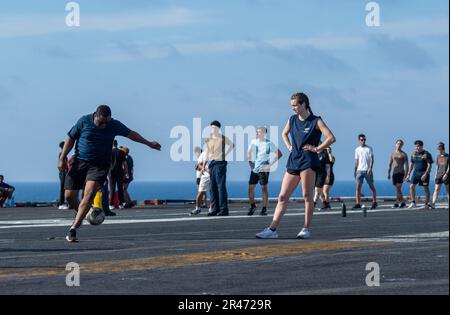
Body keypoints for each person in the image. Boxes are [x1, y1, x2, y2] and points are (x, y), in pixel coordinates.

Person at [58, 105, 161, 242]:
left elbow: (131, 134)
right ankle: (85, 213)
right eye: (101, 123)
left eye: (106, 122)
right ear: (95, 115)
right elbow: (70, 138)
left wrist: (148, 143)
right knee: (69, 196)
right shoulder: (83, 121)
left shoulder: (114, 125)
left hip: (99, 166)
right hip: (79, 162)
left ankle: (74, 229)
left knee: (88, 195)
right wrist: (62, 158)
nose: (103, 126)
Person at [256, 92, 336, 239]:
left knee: (307, 196)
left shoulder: (316, 121)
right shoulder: (292, 120)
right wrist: (288, 146)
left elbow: (331, 138)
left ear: (303, 104)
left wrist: (317, 149)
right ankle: (272, 230)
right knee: (282, 196)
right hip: (294, 160)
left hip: (308, 161)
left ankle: (306, 229)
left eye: (295, 105)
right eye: (291, 105)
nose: (292, 108)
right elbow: (284, 134)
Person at [247, 126, 283, 216]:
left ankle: (264, 208)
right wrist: (250, 162)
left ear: (263, 133)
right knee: (250, 188)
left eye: (259, 132)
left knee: (264, 188)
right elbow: (249, 152)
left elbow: (279, 153)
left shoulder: (269, 143)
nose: (257, 133)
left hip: (264, 168)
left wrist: (270, 164)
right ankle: (252, 206)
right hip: (255, 168)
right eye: (257, 132)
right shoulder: (253, 142)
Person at [204, 120, 234, 216]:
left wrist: (225, 154)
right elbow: (207, 152)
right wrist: (205, 164)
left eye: (215, 127)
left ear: (218, 128)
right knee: (213, 188)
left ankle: (223, 209)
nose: (213, 129)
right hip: (212, 163)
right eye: (212, 127)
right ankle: (214, 209)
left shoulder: (222, 138)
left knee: (221, 187)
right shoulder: (208, 139)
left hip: (220, 163)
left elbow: (232, 145)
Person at [405, 140, 433, 209]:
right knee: (411, 186)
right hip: (415, 173)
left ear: (421, 146)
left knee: (426, 188)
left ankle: (427, 203)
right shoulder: (413, 154)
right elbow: (411, 164)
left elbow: (429, 165)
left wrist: (426, 174)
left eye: (418, 146)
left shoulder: (427, 154)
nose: (416, 148)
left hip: (424, 173)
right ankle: (413, 202)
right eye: (416, 146)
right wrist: (408, 174)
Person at [353, 134, 377, 210]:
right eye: (362, 140)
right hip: (359, 170)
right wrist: (355, 170)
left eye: (364, 139)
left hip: (367, 170)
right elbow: (356, 160)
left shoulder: (369, 148)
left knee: (371, 186)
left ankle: (374, 202)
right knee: (358, 188)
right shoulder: (357, 149)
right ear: (359, 140)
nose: (363, 141)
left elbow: (371, 159)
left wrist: (370, 168)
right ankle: (358, 203)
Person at [387, 139, 409, 208]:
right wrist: (388, 173)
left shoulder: (404, 154)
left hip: (401, 173)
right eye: (398, 143)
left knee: (398, 188)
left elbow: (407, 165)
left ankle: (397, 202)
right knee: (397, 189)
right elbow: (389, 164)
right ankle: (402, 202)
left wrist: (406, 175)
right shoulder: (392, 154)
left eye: (400, 144)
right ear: (395, 144)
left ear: (402, 145)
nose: (399, 145)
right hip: (394, 173)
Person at [190, 148, 211, 215]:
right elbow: (198, 166)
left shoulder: (215, 153)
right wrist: (205, 170)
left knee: (212, 193)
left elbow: (197, 166)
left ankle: (211, 209)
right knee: (201, 192)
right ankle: (198, 208)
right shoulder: (204, 154)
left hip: (211, 176)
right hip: (205, 175)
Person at [314, 146, 335, 211]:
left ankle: (327, 204)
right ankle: (326, 204)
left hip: (329, 176)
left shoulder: (328, 156)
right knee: (320, 193)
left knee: (325, 191)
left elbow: (332, 161)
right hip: (321, 176)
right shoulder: (321, 156)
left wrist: (329, 153)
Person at [108, 140, 127, 210]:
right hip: (119, 172)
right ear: (117, 144)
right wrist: (126, 172)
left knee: (112, 188)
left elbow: (106, 163)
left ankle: (111, 204)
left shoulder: (109, 152)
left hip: (111, 172)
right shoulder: (122, 152)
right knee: (120, 188)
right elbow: (124, 163)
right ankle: (121, 204)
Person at [430, 142, 449, 209]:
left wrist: (446, 174)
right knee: (436, 189)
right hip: (439, 175)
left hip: (446, 175)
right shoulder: (438, 156)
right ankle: (433, 204)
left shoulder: (447, 156)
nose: (438, 150)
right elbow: (438, 166)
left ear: (442, 147)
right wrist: (435, 174)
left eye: (439, 148)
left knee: (447, 190)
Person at [58, 141, 69, 209]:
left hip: (63, 172)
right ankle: (61, 203)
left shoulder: (62, 154)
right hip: (63, 172)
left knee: (64, 188)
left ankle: (62, 202)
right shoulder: (62, 154)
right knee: (63, 188)